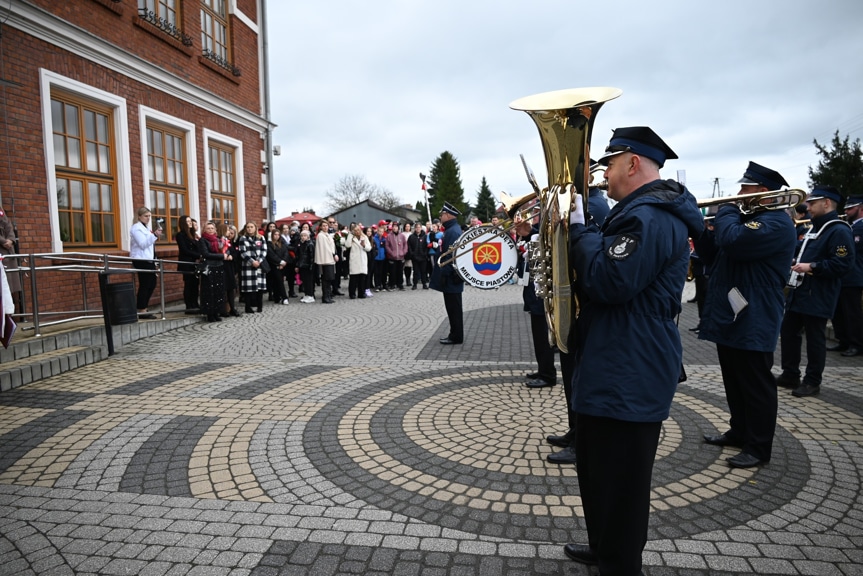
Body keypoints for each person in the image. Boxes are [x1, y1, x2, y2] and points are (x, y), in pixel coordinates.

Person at [562, 127, 702, 574]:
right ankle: (606, 547)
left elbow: (610, 280)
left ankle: (619, 563)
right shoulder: (639, 213)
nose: (603, 175)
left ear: (632, 163)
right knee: (599, 470)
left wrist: (580, 230)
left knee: (621, 480)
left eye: (607, 164)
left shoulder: (650, 217)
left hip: (631, 361)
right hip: (617, 356)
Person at [695, 161, 797, 469]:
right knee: (734, 378)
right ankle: (739, 431)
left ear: (762, 192)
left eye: (744, 188)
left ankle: (758, 447)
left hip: (755, 313)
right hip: (733, 311)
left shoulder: (776, 222)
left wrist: (725, 212)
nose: (738, 194)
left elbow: (735, 242)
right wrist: (700, 228)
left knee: (755, 383)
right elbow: (714, 254)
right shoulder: (746, 220)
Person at [777, 185, 855, 397]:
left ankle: (812, 381)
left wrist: (812, 267)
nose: (808, 206)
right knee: (789, 331)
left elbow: (843, 265)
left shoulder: (838, 229)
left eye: (812, 203)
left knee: (815, 338)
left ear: (827, 203)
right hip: (800, 291)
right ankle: (790, 374)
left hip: (818, 293)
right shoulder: (815, 227)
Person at [827, 195, 863, 357]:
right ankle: (843, 341)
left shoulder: (859, 227)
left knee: (851, 312)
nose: (846, 211)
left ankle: (857, 344)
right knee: (838, 311)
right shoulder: (847, 226)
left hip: (854, 275)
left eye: (851, 208)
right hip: (841, 275)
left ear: (860, 208)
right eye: (846, 208)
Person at [429, 202, 465, 345]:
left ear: (448, 215)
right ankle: (454, 333)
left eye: (442, 214)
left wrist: (445, 273)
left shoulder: (452, 231)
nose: (440, 216)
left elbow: (451, 256)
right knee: (452, 308)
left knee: (454, 308)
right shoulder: (452, 230)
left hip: (451, 277)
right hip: (451, 277)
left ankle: (456, 336)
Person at [128, 206, 162, 319]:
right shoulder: (136, 228)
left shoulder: (145, 228)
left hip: (149, 259)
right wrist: (154, 235)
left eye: (149, 216)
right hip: (141, 259)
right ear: (139, 216)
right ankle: (141, 309)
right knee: (145, 284)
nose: (148, 218)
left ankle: (144, 307)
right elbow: (142, 244)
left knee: (152, 284)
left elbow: (150, 245)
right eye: (146, 216)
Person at [198, 221, 231, 322]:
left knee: (218, 291)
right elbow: (206, 254)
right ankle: (210, 314)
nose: (211, 230)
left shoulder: (218, 240)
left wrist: (227, 254)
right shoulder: (202, 240)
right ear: (204, 230)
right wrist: (222, 256)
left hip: (219, 267)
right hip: (209, 268)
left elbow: (225, 250)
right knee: (209, 291)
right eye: (208, 228)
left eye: (212, 228)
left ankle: (217, 312)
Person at [238, 221, 267, 313]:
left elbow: (264, 250)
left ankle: (260, 306)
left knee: (260, 287)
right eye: (248, 227)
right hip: (248, 266)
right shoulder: (243, 238)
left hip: (259, 265)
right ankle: (248, 307)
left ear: (255, 228)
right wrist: (252, 261)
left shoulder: (261, 238)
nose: (249, 229)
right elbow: (242, 252)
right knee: (248, 288)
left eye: (251, 227)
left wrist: (259, 261)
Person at [176, 215, 201, 314]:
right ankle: (189, 306)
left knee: (195, 284)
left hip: (194, 263)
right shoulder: (180, 235)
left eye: (190, 221)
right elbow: (184, 250)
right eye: (188, 221)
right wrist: (199, 255)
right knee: (189, 285)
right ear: (183, 223)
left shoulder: (192, 235)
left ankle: (195, 304)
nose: (190, 223)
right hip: (187, 263)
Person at [343, 222, 371, 298]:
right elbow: (347, 245)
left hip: (362, 259)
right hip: (354, 260)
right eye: (355, 230)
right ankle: (352, 293)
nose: (357, 232)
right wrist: (350, 235)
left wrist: (364, 245)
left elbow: (369, 248)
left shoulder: (364, 237)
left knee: (362, 278)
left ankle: (361, 293)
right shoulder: (351, 238)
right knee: (353, 278)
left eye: (358, 230)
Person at [0, 206, 21, 303]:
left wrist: (11, 240)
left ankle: (9, 313)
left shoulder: (1, 211)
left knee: (10, 287)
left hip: (8, 251)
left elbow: (9, 227)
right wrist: (4, 241)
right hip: (2, 250)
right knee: (3, 286)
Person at [315, 220, 338, 304]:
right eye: (323, 226)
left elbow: (332, 246)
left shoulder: (327, 235)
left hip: (330, 259)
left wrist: (334, 254)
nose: (325, 227)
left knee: (329, 279)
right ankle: (325, 297)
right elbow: (325, 248)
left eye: (326, 226)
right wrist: (333, 255)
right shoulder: (321, 236)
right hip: (325, 259)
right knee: (326, 279)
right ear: (321, 227)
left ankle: (328, 295)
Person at [266, 229, 291, 305]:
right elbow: (271, 255)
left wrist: (284, 261)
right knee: (279, 281)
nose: (276, 236)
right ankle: (284, 297)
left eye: (278, 235)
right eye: (275, 235)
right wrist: (279, 262)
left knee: (279, 281)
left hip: (283, 265)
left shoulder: (282, 243)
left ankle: (277, 297)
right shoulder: (269, 244)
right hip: (274, 266)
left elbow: (286, 253)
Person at [385, 221, 408, 291]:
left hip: (401, 257)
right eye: (393, 227)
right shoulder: (389, 236)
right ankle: (392, 284)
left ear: (398, 227)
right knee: (392, 272)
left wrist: (404, 252)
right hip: (392, 257)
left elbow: (405, 245)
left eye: (396, 226)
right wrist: (391, 253)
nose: (395, 228)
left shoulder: (402, 236)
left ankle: (400, 284)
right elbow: (387, 246)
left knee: (400, 271)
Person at [295, 230, 316, 303]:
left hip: (308, 266)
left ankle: (310, 295)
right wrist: (297, 265)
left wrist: (311, 266)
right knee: (304, 281)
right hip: (302, 265)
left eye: (305, 236)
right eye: (302, 236)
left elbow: (312, 257)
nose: (303, 237)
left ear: (308, 236)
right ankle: (306, 294)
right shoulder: (300, 244)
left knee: (309, 281)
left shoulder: (310, 244)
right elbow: (298, 255)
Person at [408, 223, 430, 290]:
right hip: (415, 257)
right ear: (415, 228)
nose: (418, 229)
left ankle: (424, 284)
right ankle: (414, 284)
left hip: (423, 257)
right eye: (417, 227)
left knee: (423, 271)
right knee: (415, 271)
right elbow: (409, 246)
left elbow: (427, 246)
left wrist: (425, 253)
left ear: (421, 228)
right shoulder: (411, 237)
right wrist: (412, 254)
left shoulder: (425, 236)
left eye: (419, 227)